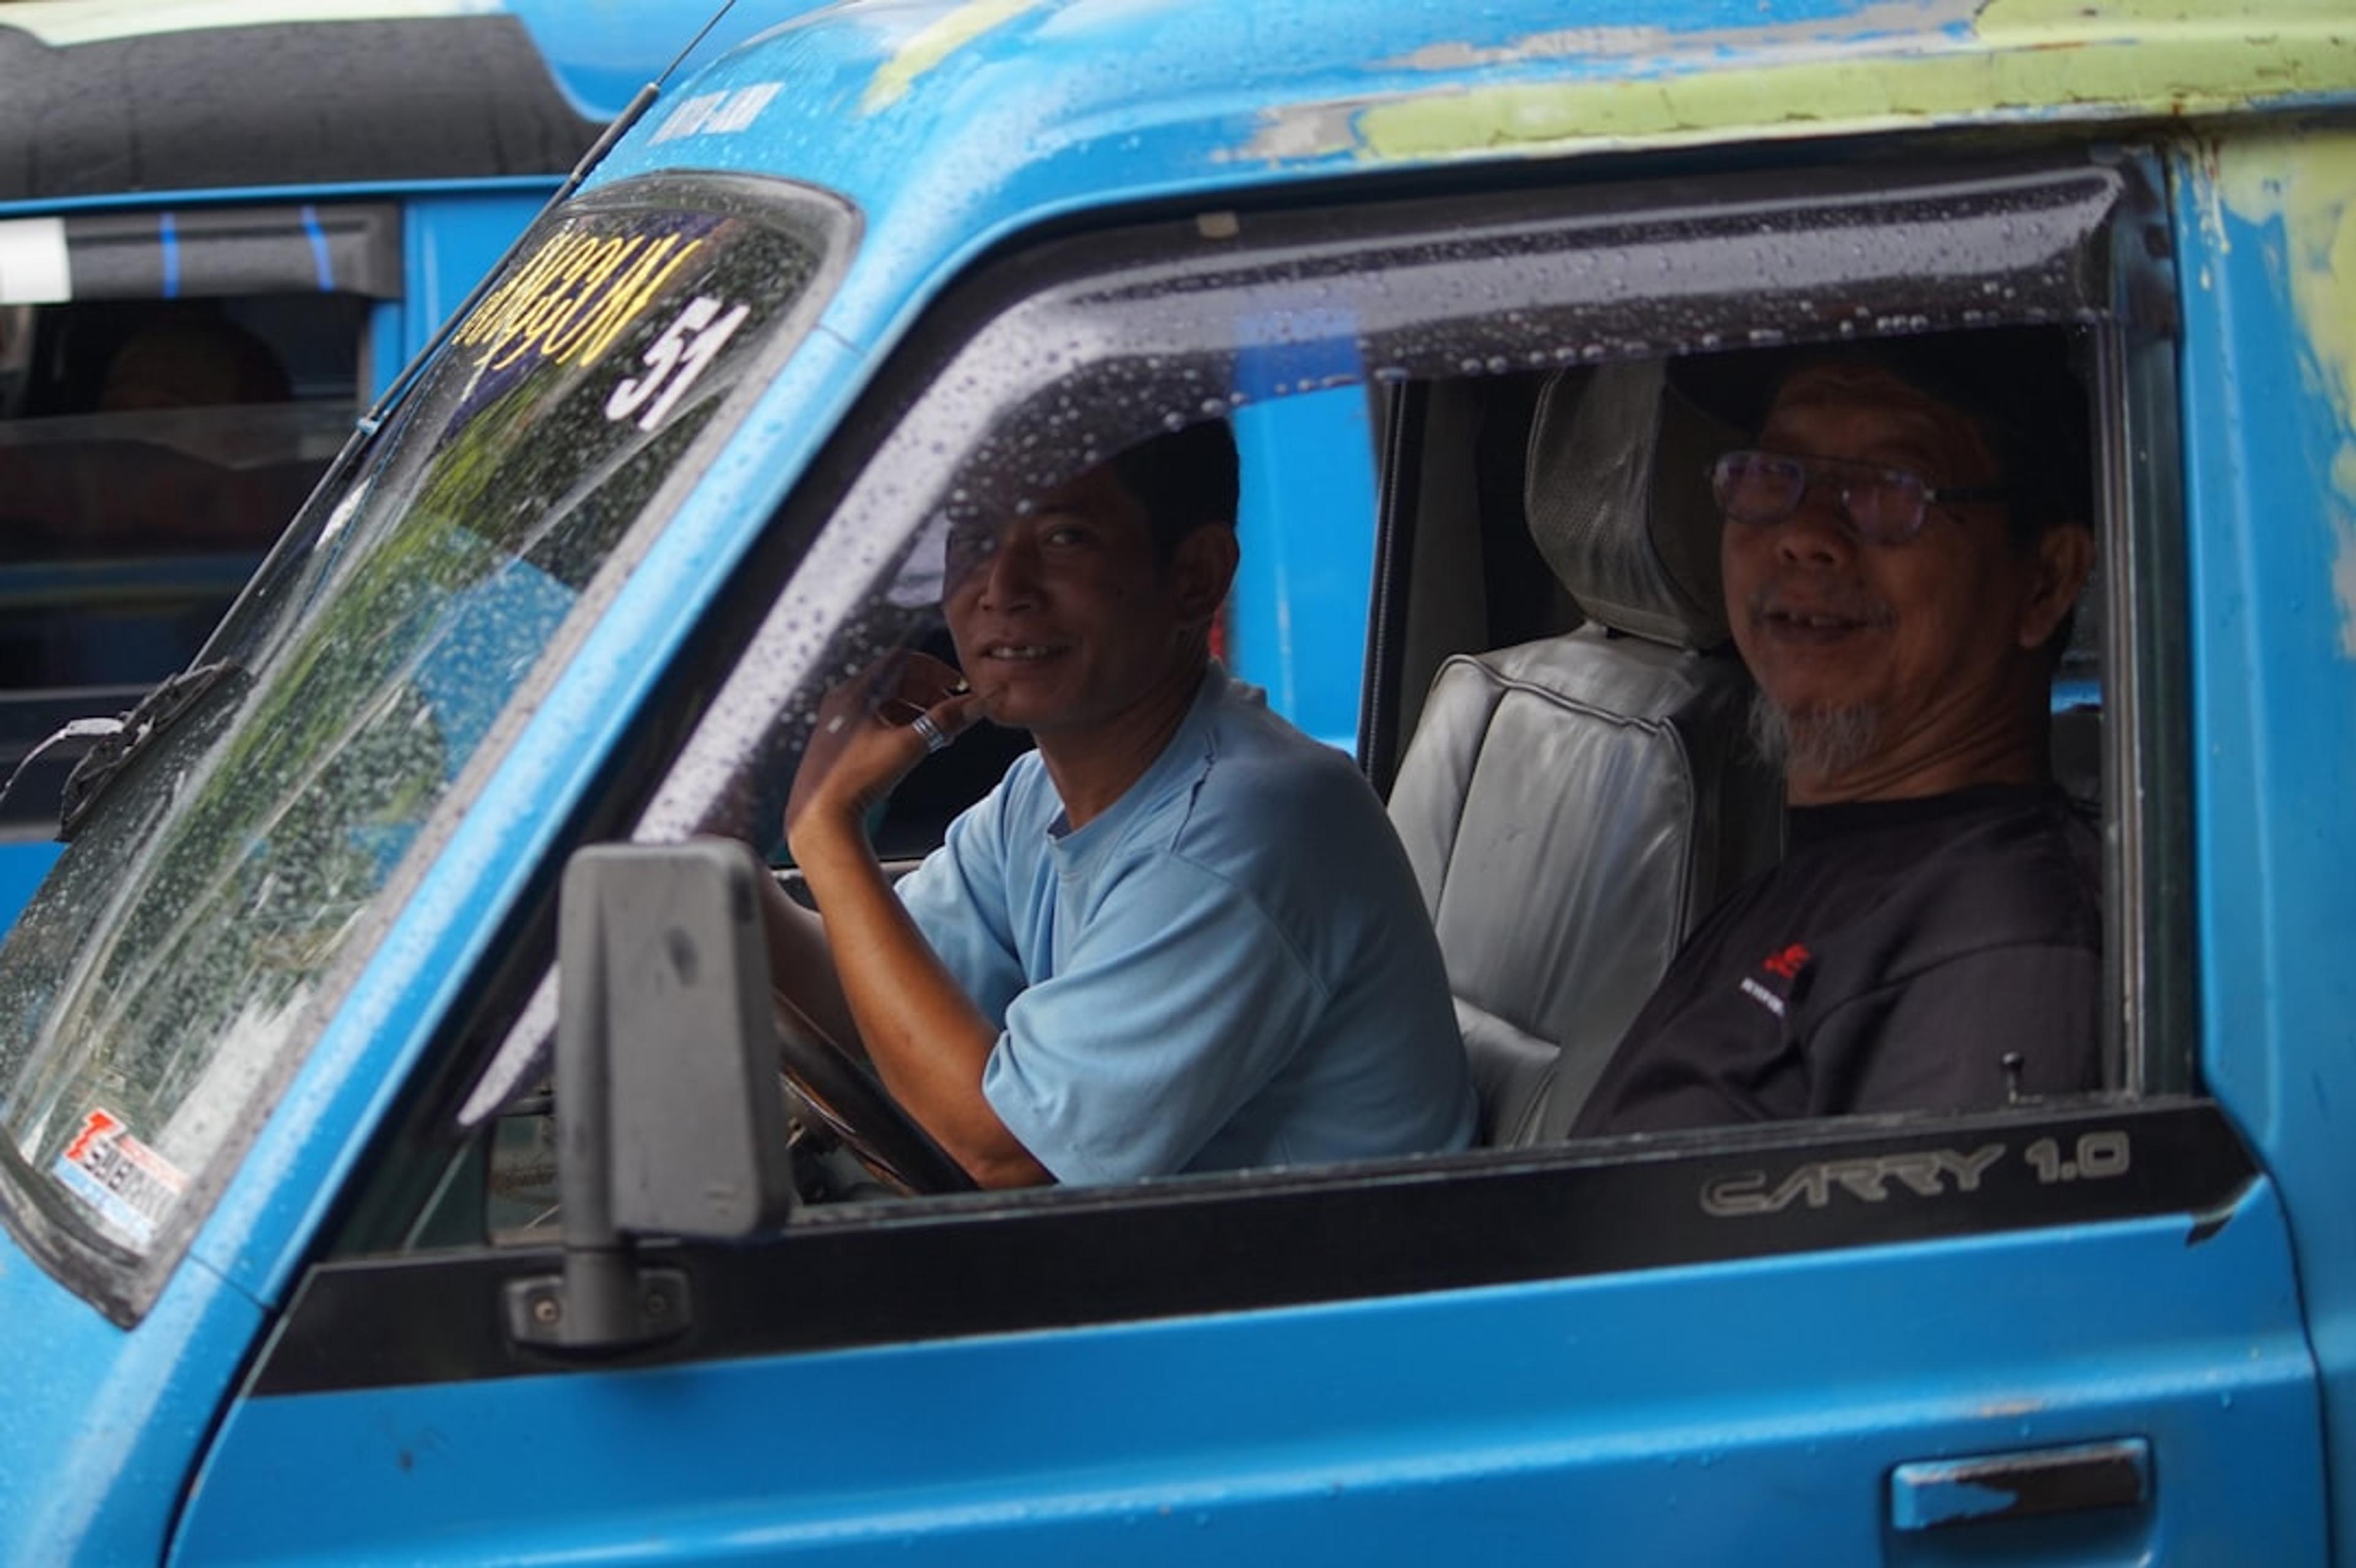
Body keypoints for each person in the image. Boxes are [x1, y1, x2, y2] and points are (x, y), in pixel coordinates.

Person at [766, 422, 1476, 1188]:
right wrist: (715, 865)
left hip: (1306, 1299)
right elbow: (870, 1002)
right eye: (972, 537)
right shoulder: (1039, 794)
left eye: (1065, 538)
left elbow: (1006, 1153)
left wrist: (827, 832)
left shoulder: (1238, 835)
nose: (1001, 588)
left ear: (1195, 577)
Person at [1571, 331, 2103, 1134]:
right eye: (1768, 474)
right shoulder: (1820, 874)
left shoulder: (1998, 952)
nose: (1803, 533)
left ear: (2046, 580)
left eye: (1892, 489)